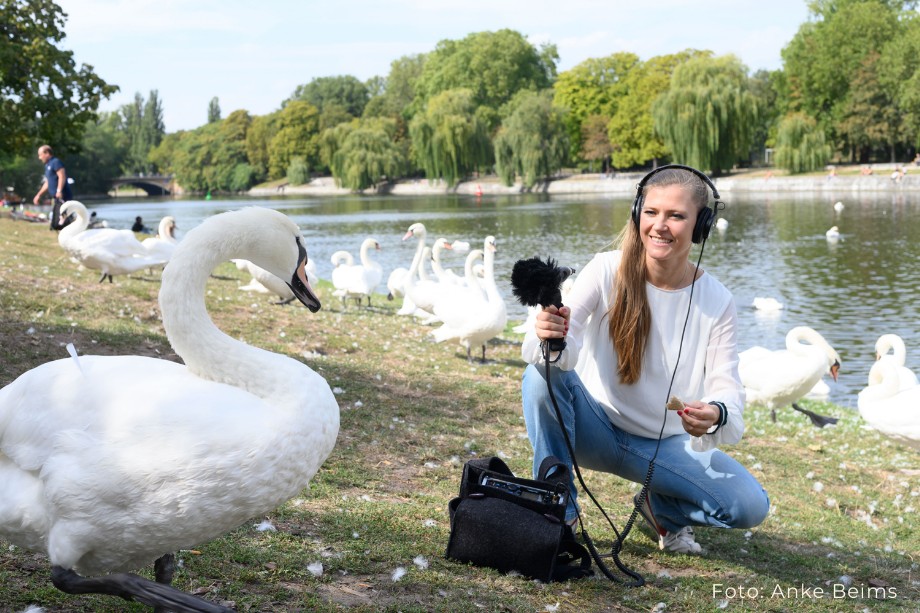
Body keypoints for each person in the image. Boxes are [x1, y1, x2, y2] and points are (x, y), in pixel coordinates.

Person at [520, 165, 769, 555]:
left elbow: (726, 384)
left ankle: (661, 510)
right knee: (540, 377)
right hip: (593, 429)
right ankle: (560, 512)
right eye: (651, 212)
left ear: (701, 224)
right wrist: (551, 334)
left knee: (749, 506)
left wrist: (717, 412)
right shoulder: (605, 269)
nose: (660, 226)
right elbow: (558, 353)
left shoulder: (717, 300)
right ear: (637, 213)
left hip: (664, 447)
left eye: (676, 216)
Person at [33, 145, 73, 230]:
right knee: (57, 219)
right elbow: (48, 182)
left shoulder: (55, 162)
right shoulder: (47, 165)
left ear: (47, 153)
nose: (39, 158)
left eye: (40, 155)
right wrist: (38, 195)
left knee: (65, 218)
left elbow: (62, 176)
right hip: (56, 197)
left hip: (63, 196)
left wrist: (59, 190)